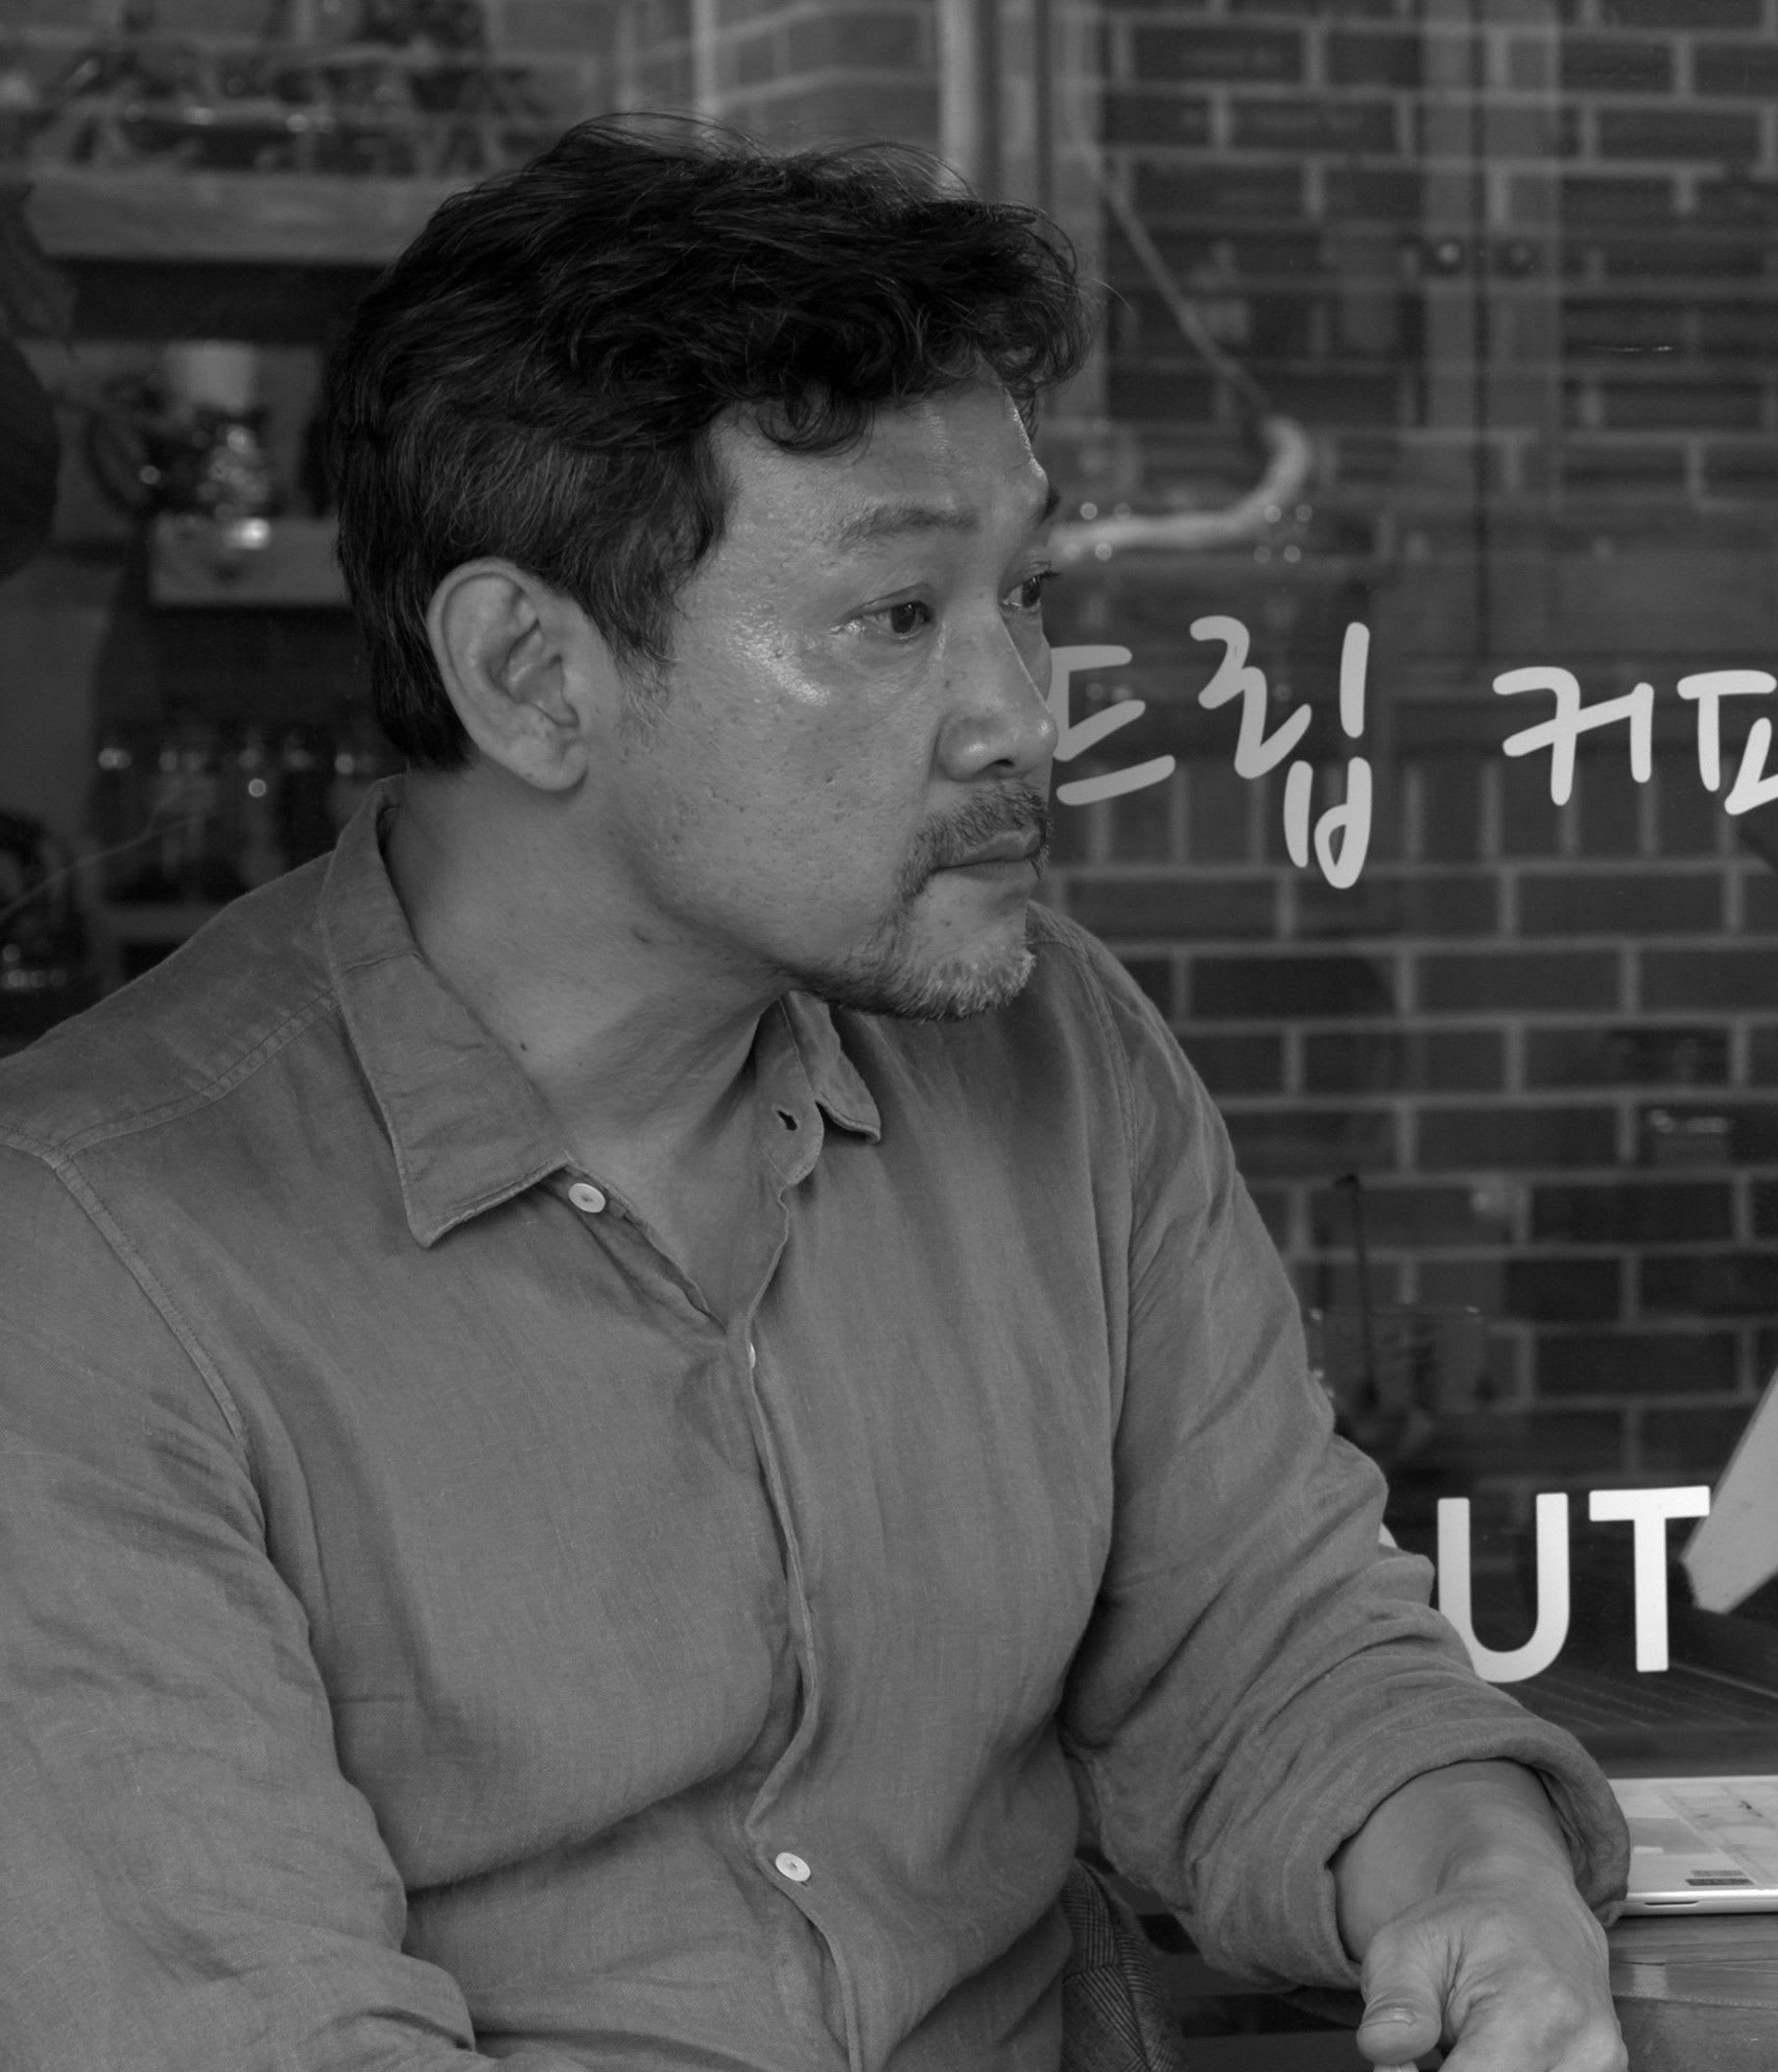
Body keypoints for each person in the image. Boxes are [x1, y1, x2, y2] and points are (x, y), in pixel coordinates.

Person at [0, 119, 1628, 2072]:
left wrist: (1485, 1885)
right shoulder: (82, 1260)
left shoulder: (1054, 1049)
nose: (1026, 713)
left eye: (1026, 595)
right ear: (532, 674)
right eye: (896, 616)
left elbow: (1272, 1650)